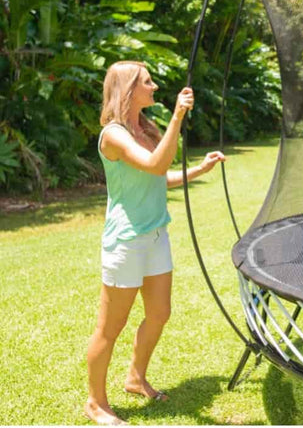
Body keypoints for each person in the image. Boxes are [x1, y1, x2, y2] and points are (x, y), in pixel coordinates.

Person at [85, 61, 225, 425]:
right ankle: (96, 403)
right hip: (127, 242)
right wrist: (178, 117)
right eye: (147, 82)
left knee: (160, 313)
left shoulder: (145, 128)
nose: (154, 86)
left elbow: (158, 177)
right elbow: (152, 164)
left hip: (156, 236)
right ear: (129, 89)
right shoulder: (113, 135)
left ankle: (135, 377)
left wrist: (198, 170)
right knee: (109, 328)